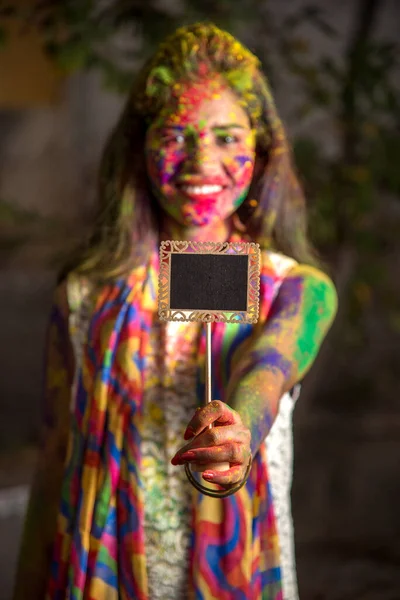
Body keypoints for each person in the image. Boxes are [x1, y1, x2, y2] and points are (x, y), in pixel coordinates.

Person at [13, 23, 337, 600]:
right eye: (175, 134)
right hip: (99, 575)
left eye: (226, 136)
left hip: (229, 573)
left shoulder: (297, 289)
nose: (200, 160)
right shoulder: (85, 295)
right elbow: (53, 457)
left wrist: (237, 431)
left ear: (261, 152)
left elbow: (269, 364)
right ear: (140, 147)